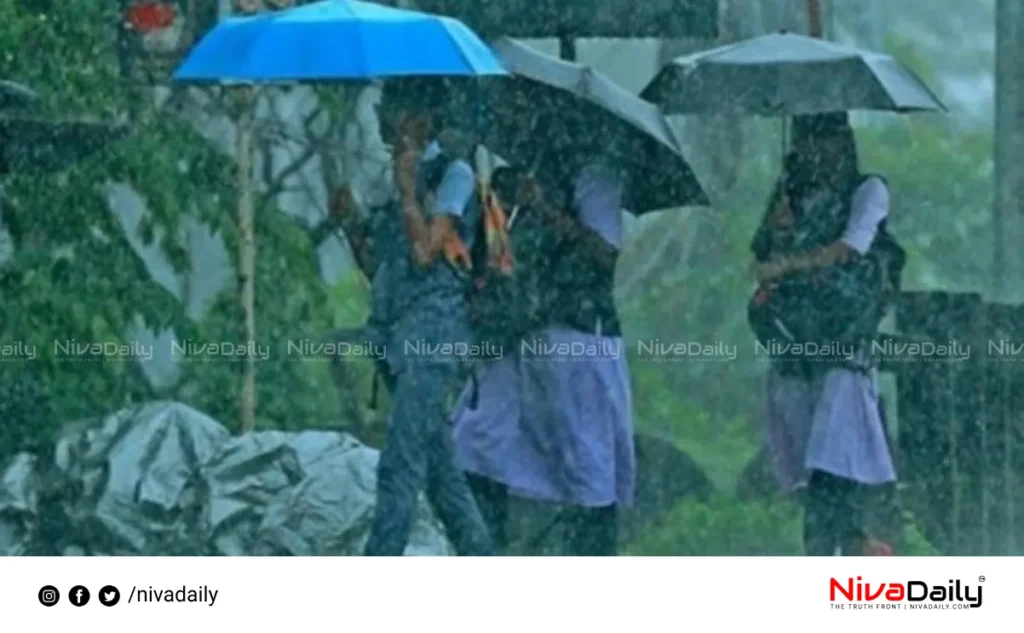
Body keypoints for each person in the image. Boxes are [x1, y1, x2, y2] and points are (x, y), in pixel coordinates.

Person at [452, 117, 635, 556]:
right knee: (475, 440)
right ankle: (482, 551)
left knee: (587, 467)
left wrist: (546, 210)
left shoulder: (594, 173)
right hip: (524, 337)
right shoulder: (530, 171)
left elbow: (606, 254)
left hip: (578, 337)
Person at [752, 112, 900, 556]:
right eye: (809, 140)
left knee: (833, 464)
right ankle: (851, 548)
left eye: (829, 139)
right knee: (816, 477)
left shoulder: (867, 191)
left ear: (844, 143)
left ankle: (838, 557)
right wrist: (778, 237)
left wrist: (792, 262)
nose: (819, 151)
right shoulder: (788, 198)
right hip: (796, 351)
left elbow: (851, 247)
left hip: (840, 348)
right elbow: (761, 266)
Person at [357, 79, 494, 556]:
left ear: (424, 117)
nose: (384, 117)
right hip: (395, 336)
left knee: (401, 463)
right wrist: (352, 223)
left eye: (394, 107)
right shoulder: (393, 176)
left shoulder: (451, 174)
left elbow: (424, 253)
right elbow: (381, 266)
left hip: (433, 335)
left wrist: (408, 191)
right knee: (441, 475)